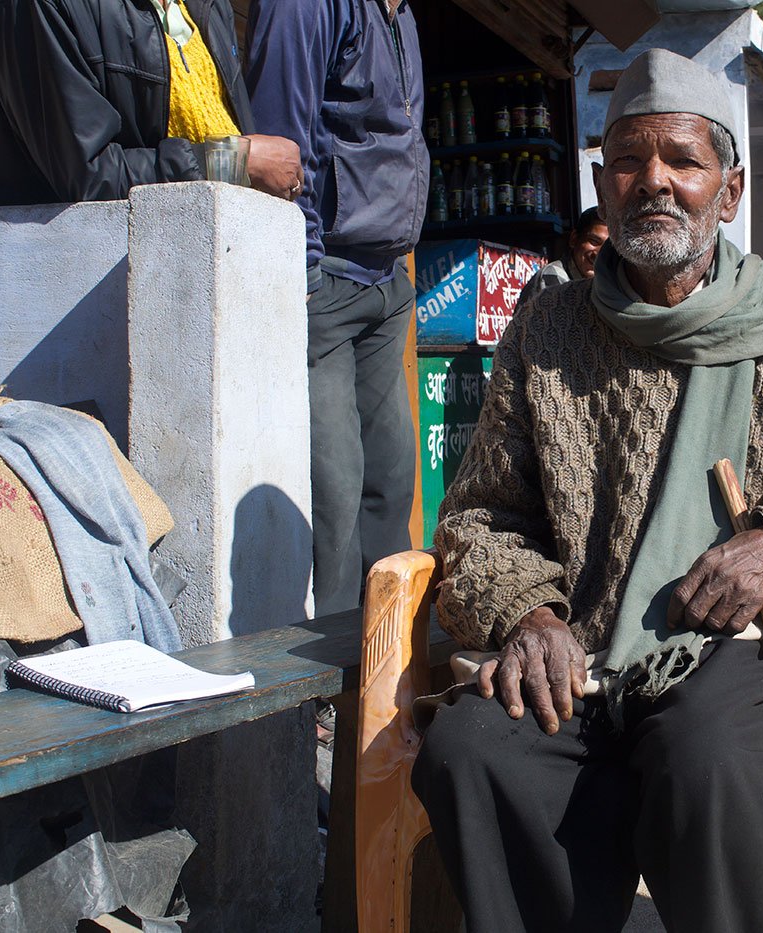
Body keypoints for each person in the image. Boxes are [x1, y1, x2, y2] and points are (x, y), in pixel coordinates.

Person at [412, 49, 763, 933]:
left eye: (682, 160)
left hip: (729, 655)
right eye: (629, 160)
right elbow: (480, 516)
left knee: (713, 762)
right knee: (473, 750)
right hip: (579, 656)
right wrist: (529, 615)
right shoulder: (545, 330)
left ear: (729, 191)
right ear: (600, 180)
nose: (653, 182)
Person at [246, 0, 429, 615]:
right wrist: (301, 269)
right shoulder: (307, 5)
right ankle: (332, 683)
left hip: (387, 280)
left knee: (390, 487)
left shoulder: (399, 15)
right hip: (326, 280)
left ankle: (391, 674)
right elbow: (280, 145)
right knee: (336, 497)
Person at [0, 0, 301, 206]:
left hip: (216, 273)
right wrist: (231, 162)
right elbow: (89, 180)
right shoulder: (35, 7)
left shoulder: (206, 8)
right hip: (102, 294)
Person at [519, 207, 610, 301]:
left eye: (609, 247)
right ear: (574, 239)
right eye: (594, 241)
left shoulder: (601, 282)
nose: (600, 254)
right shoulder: (553, 276)